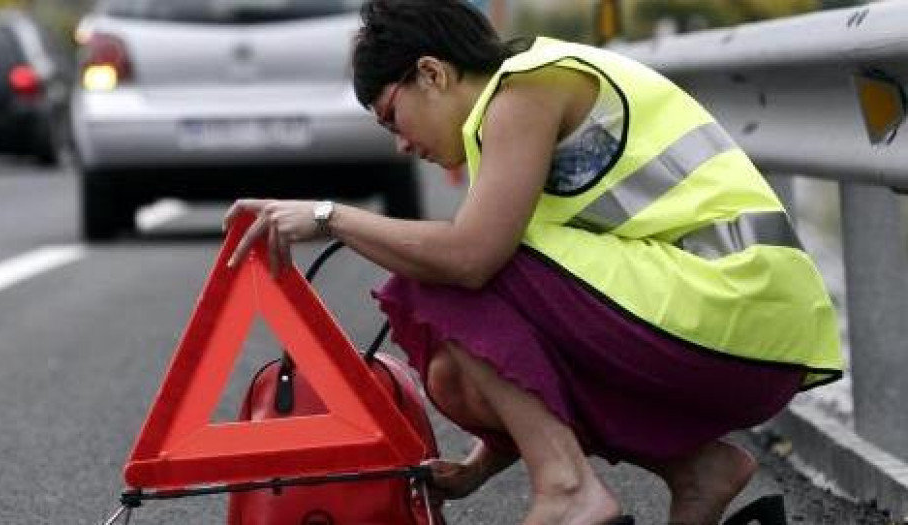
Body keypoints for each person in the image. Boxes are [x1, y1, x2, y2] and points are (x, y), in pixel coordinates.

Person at [223, 0, 844, 523]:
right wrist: (476, 469)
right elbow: (520, 329)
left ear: (432, 73)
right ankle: (696, 469)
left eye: (392, 114)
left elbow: (468, 261)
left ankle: (568, 489)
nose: (401, 142)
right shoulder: (510, 110)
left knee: (438, 271)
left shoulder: (525, 88)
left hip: (732, 304)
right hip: (733, 327)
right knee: (453, 378)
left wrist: (331, 216)